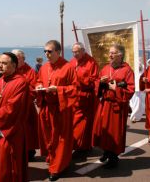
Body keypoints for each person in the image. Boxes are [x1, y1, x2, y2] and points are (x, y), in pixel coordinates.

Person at [36, 40, 77, 181]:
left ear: (58, 52)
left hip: (61, 109)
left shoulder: (68, 67)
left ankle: (57, 168)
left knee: (60, 139)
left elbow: (75, 89)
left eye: (49, 51)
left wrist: (58, 89)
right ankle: (53, 159)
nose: (46, 54)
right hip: (47, 108)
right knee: (49, 137)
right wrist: (39, 85)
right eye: (45, 51)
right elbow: (38, 81)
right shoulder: (44, 67)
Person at [0, 52, 28, 182]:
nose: (0, 65)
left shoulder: (21, 82)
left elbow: (12, 108)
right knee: (3, 163)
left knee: (11, 165)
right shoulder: (0, 80)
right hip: (0, 127)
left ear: (14, 65)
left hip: (12, 130)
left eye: (4, 63)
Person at [92, 44, 135, 168]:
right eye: (109, 53)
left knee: (114, 132)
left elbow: (131, 90)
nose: (110, 55)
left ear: (120, 55)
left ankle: (113, 157)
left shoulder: (127, 71)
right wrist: (100, 83)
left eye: (113, 53)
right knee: (103, 129)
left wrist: (116, 88)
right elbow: (97, 85)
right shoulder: (105, 68)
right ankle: (106, 151)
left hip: (117, 106)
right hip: (105, 103)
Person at [69, 42, 99, 152]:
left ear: (83, 50)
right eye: (73, 52)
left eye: (76, 52)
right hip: (73, 97)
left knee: (82, 125)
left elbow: (95, 80)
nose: (74, 54)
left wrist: (80, 80)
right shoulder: (72, 62)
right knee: (73, 123)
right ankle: (77, 145)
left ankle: (81, 147)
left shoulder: (91, 62)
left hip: (85, 98)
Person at [12, 49, 39, 160]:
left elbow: (34, 88)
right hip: (14, 107)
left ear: (23, 58)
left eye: (17, 58)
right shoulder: (12, 70)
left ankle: (29, 150)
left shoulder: (30, 71)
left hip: (26, 106)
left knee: (28, 131)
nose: (16, 60)